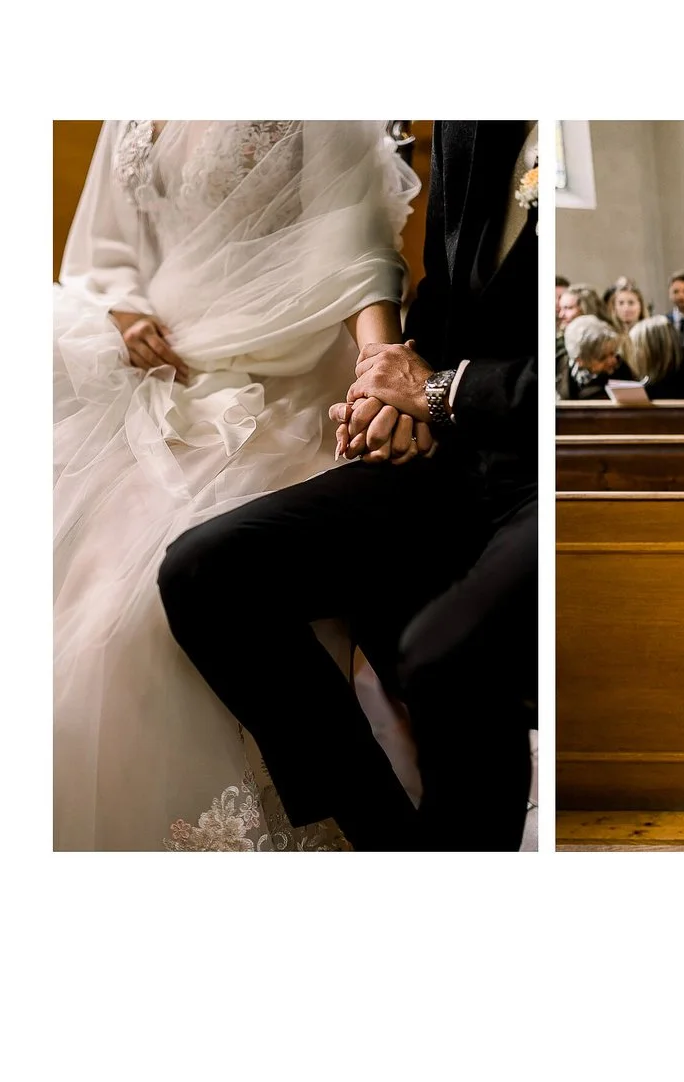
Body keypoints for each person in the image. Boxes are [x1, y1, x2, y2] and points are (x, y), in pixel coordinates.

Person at [156, 120, 540, 852]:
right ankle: (387, 841)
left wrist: (441, 393)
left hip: (536, 473)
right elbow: (444, 298)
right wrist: (388, 389)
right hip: (447, 453)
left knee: (439, 654)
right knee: (204, 570)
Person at [54, 120, 419, 851]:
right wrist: (122, 308)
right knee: (75, 593)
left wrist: (380, 361)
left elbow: (352, 242)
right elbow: (107, 248)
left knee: (145, 619)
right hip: (161, 362)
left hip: (281, 368)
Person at [556, 315, 632, 399]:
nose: (612, 360)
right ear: (579, 360)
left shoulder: (622, 373)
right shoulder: (559, 366)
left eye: (612, 353)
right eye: (602, 358)